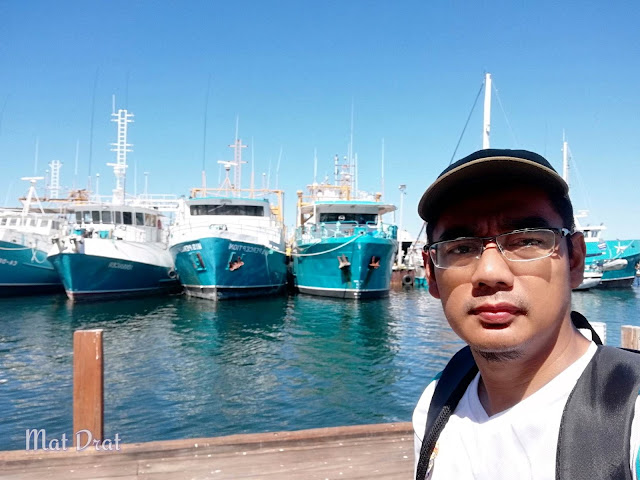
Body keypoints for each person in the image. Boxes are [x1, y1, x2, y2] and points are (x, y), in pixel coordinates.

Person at [412, 148, 640, 480]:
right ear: (431, 274)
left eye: (528, 241)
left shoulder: (630, 418)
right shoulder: (437, 400)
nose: (490, 272)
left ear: (574, 260)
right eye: (461, 248)